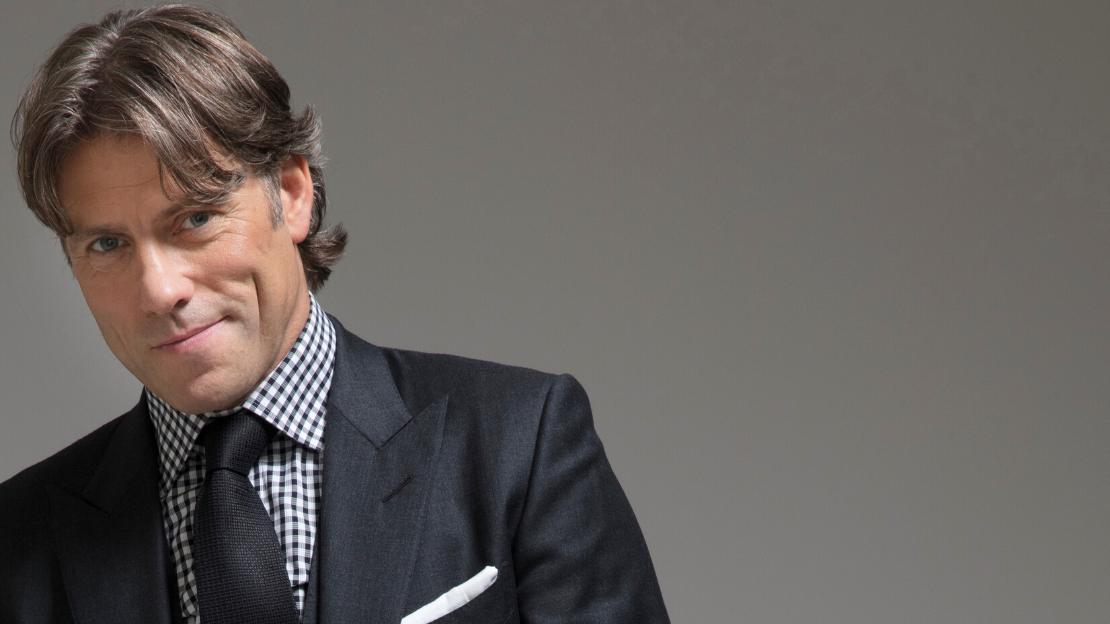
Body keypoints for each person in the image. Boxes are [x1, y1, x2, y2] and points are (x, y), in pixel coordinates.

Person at [0, 5, 668, 624]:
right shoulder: (16, 542)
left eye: (195, 218)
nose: (159, 290)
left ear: (292, 193)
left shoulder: (520, 446)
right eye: (107, 245)